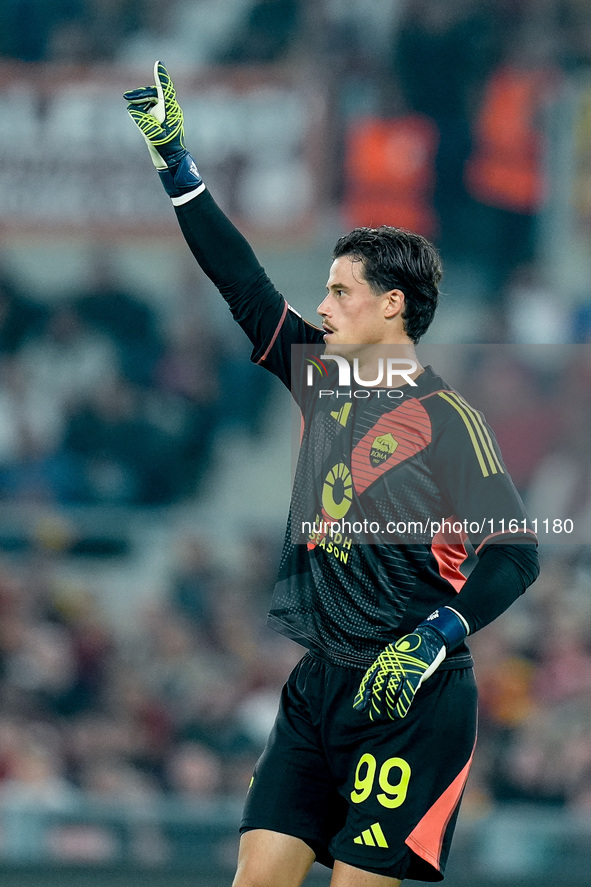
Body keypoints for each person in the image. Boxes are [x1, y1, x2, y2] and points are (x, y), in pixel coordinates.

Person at [124, 63, 540, 886]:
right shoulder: (321, 381)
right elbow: (243, 285)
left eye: (341, 292)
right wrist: (178, 166)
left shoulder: (448, 421)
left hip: (411, 698)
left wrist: (433, 636)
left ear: (392, 306)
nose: (322, 306)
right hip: (318, 683)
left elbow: (517, 554)